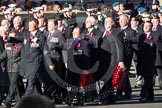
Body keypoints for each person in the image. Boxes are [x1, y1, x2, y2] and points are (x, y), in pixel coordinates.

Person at [98, 16, 124, 104]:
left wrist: (120, 60)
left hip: (112, 59)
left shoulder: (116, 32)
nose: (106, 23)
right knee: (107, 79)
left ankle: (103, 98)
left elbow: (119, 46)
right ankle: (111, 98)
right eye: (105, 22)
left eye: (108, 22)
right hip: (104, 60)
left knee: (108, 79)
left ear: (113, 23)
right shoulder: (104, 32)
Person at [0, 28, 22, 108]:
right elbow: (3, 56)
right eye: (10, 37)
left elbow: (22, 57)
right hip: (9, 68)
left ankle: (8, 100)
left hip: (17, 67)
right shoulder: (8, 46)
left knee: (13, 83)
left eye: (13, 37)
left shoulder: (20, 46)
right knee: (14, 85)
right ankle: (19, 101)